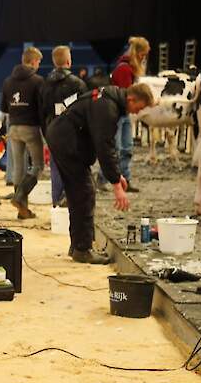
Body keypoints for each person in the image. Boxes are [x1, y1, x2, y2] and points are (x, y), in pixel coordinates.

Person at [45, 83, 154, 264]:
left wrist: (117, 175)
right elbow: (104, 147)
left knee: (77, 193)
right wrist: (116, 185)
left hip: (62, 137)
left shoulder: (108, 99)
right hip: (67, 143)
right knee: (85, 193)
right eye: (139, 107)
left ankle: (77, 246)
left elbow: (104, 145)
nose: (137, 112)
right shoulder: (107, 108)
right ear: (131, 99)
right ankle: (83, 249)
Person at [40, 46, 88, 207]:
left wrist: (46, 133)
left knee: (56, 168)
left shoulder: (45, 84)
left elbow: (42, 112)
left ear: (54, 62)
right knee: (74, 170)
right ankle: (71, 204)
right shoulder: (78, 84)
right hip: (72, 132)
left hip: (52, 131)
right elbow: (85, 110)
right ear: (69, 61)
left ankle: (56, 204)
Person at [0, 47, 44, 219]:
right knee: (38, 166)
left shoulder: (8, 81)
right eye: (38, 62)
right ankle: (19, 198)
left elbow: (4, 107)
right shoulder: (37, 81)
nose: (39, 65)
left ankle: (22, 210)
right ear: (33, 61)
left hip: (14, 128)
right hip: (30, 127)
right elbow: (41, 107)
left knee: (18, 168)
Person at [108, 36, 150, 193]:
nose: (144, 57)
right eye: (143, 54)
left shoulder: (125, 67)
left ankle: (125, 179)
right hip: (119, 113)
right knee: (117, 147)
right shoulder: (125, 69)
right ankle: (105, 179)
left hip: (123, 113)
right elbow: (127, 95)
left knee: (126, 147)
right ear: (138, 53)